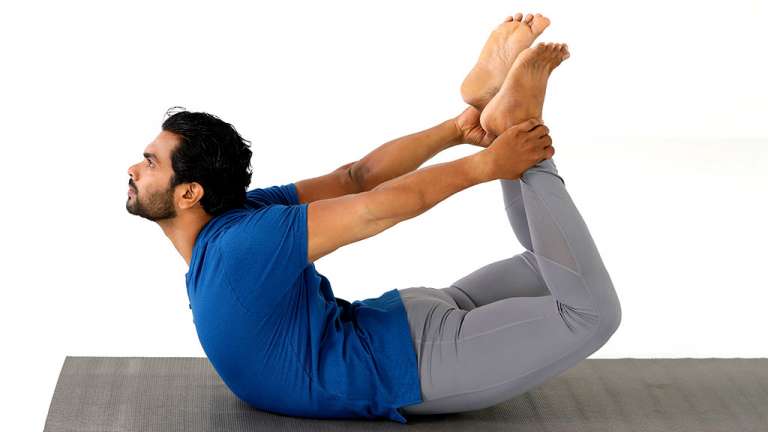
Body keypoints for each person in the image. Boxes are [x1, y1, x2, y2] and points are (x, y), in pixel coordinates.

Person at [125, 12, 620, 424]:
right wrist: (455, 129)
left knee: (592, 315)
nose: (133, 169)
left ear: (191, 193)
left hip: (408, 363)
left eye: (149, 163)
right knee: (550, 264)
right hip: (401, 326)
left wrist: (486, 162)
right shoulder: (243, 217)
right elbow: (355, 177)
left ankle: (521, 137)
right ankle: (501, 115)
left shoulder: (239, 245)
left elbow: (372, 206)